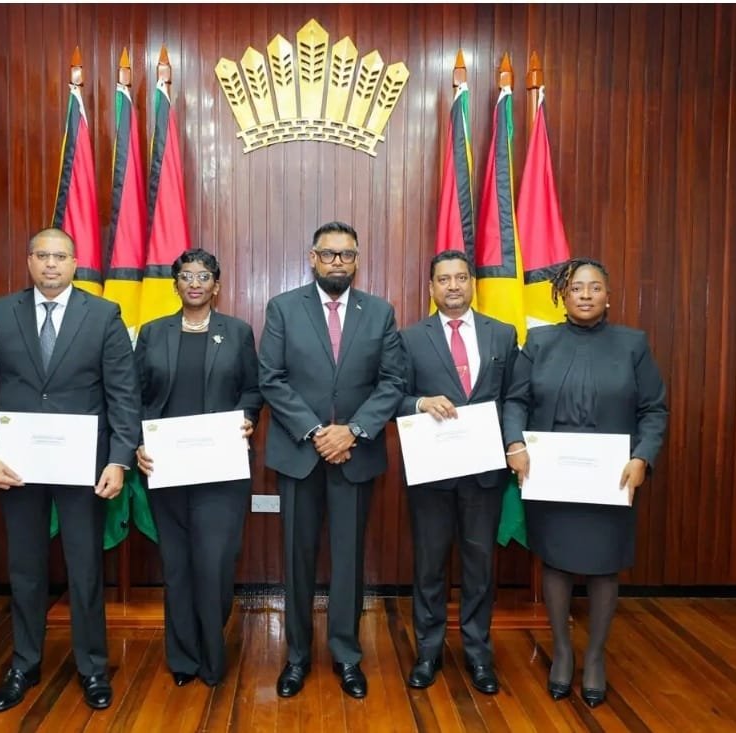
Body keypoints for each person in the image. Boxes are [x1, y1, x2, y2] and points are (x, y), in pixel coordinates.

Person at [0, 228, 141, 712]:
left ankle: (93, 667)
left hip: (84, 467)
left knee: (85, 569)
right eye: (42, 256)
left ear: (75, 263)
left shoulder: (103, 315)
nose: (51, 265)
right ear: (29, 262)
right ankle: (24, 661)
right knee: (25, 569)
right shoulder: (1, 313)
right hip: (16, 466)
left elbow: (124, 395)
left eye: (60, 256)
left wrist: (119, 459)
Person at [503, 257, 668, 708]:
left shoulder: (633, 344)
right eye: (577, 288)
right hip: (551, 475)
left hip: (610, 476)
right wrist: (515, 446)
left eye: (595, 288)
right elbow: (515, 400)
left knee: (603, 565)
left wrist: (642, 458)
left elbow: (654, 409)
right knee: (555, 562)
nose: (586, 295)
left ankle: (594, 657)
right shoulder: (538, 342)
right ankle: (562, 652)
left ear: (608, 295)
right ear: (564, 294)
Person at [258, 221, 404, 699]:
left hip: (355, 455)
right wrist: (319, 432)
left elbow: (392, 382)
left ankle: (346, 655)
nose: (337, 262)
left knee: (348, 561)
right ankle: (296, 657)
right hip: (301, 452)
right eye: (329, 254)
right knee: (296, 561)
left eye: (346, 255)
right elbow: (272, 378)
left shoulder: (379, 312)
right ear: (313, 257)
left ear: (356, 261)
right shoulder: (283, 308)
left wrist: (353, 431)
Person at [134, 248, 263, 687]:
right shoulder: (152, 333)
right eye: (186, 275)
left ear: (216, 285)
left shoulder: (238, 332)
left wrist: (247, 419)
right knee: (177, 566)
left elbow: (253, 389)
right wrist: (136, 443)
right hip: (166, 469)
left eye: (203, 275)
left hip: (220, 472)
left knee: (215, 565)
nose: (194, 282)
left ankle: (213, 653)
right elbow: (132, 396)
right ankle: (184, 660)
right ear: (175, 284)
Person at [397, 250, 518, 695]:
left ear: (473, 284)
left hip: (485, 474)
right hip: (432, 473)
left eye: (461, 278)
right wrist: (418, 403)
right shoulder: (410, 338)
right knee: (429, 567)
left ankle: (478, 653)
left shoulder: (502, 335)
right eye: (443, 279)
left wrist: (513, 444)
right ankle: (427, 651)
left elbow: (515, 397)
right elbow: (392, 394)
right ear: (431, 288)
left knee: (479, 566)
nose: (453, 286)